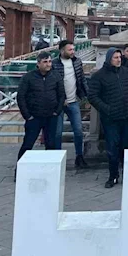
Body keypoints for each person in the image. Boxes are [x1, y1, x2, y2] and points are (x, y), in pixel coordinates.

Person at [87, 48, 128, 188]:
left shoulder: (126, 72)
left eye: (120, 57)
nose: (119, 60)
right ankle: (113, 176)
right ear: (109, 59)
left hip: (127, 116)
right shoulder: (99, 76)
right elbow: (93, 96)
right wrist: (107, 109)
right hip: (111, 118)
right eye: (116, 57)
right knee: (112, 148)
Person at [17, 51, 65, 162]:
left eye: (50, 61)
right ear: (38, 63)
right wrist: (27, 115)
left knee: (51, 144)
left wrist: (57, 111)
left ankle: (50, 168)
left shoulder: (56, 76)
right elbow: (21, 96)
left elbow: (61, 95)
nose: (48, 64)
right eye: (45, 62)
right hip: (34, 117)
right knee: (28, 144)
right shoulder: (28, 77)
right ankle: (19, 168)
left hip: (51, 116)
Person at [53, 40, 89, 169]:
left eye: (73, 49)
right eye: (70, 50)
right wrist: (59, 99)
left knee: (78, 131)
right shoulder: (54, 64)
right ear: (62, 51)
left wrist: (86, 97)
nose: (73, 52)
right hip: (59, 103)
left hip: (73, 101)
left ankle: (79, 156)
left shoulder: (77, 62)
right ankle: (57, 158)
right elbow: (52, 84)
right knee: (57, 133)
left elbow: (82, 79)